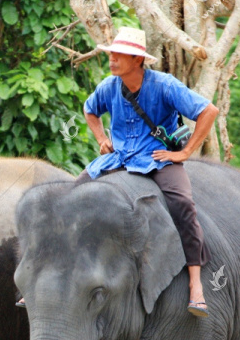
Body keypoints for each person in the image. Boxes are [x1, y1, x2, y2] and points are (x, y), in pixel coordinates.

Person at [18, 27, 219, 316]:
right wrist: (101, 139)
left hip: (157, 158)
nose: (112, 59)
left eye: (119, 54)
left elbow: (208, 111)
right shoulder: (109, 86)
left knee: (183, 204)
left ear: (138, 60)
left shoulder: (164, 85)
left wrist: (184, 153)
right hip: (119, 158)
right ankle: (42, 274)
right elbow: (90, 109)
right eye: (111, 53)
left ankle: (196, 286)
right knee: (67, 202)